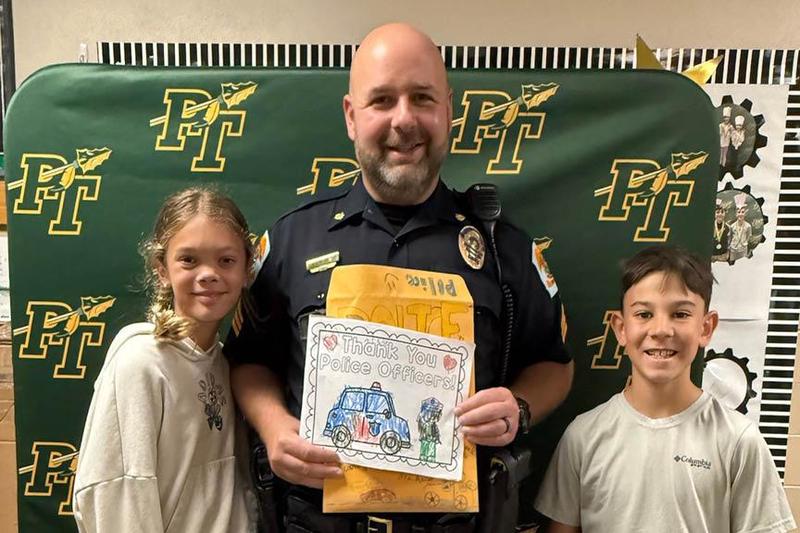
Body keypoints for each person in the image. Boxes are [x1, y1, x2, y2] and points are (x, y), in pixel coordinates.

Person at [225, 22, 573, 532]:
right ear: (351, 116)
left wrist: (519, 407)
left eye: (422, 98)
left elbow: (556, 365)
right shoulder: (291, 241)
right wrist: (273, 426)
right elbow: (249, 360)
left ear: (448, 109)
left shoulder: (503, 247)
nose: (403, 120)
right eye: (382, 100)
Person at [534, 246, 796, 533]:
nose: (661, 330)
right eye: (644, 314)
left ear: (706, 328)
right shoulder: (582, 437)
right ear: (621, 328)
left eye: (680, 314)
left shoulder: (738, 440)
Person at [73, 188, 256, 533]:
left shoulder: (222, 363)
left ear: (247, 268)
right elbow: (117, 492)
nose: (208, 274)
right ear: (162, 269)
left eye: (226, 260)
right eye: (189, 260)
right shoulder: (140, 363)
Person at [728, 192, 752, 262]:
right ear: (736, 214)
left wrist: (744, 243)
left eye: (742, 212)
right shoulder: (732, 226)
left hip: (743, 249)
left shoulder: (748, 226)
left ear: (745, 213)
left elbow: (748, 236)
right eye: (738, 212)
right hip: (733, 249)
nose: (740, 214)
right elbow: (730, 237)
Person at [711, 198, 730, 262]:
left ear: (725, 213)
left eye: (722, 212)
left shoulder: (728, 227)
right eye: (717, 212)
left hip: (723, 256)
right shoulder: (710, 226)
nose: (720, 214)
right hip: (711, 255)